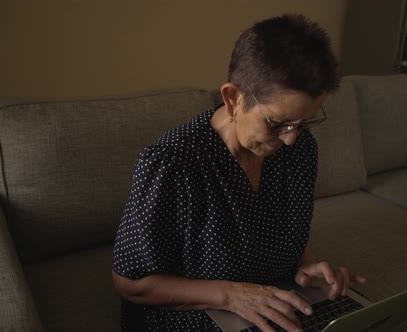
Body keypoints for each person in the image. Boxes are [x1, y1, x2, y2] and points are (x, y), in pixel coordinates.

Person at [112, 14, 366, 332]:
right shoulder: (173, 162)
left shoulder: (301, 148)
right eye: (276, 123)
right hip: (196, 310)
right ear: (233, 98)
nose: (290, 139)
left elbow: (295, 225)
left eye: (303, 123)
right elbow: (130, 283)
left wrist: (305, 267)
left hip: (275, 296)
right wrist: (231, 296)